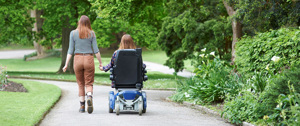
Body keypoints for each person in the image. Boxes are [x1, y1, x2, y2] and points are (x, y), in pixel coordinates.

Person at [63, 15, 102, 114]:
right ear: (88, 23)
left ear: (79, 22)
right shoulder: (92, 34)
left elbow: (70, 50)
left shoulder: (73, 33)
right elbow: (96, 51)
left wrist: (66, 64)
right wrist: (100, 63)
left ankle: (82, 106)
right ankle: (89, 96)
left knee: (80, 83)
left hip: (77, 59)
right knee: (88, 83)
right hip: (88, 58)